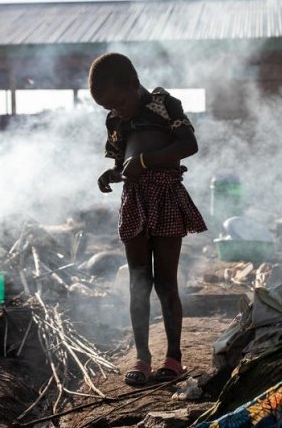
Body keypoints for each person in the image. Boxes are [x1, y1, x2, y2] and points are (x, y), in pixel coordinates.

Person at [89, 52, 207, 386]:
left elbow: (189, 144)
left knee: (165, 281)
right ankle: (142, 357)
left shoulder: (163, 103)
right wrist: (110, 174)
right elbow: (121, 162)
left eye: (120, 101)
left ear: (133, 84)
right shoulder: (115, 121)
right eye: (108, 107)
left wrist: (145, 161)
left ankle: (174, 358)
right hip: (134, 200)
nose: (116, 109)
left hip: (167, 194)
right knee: (138, 282)